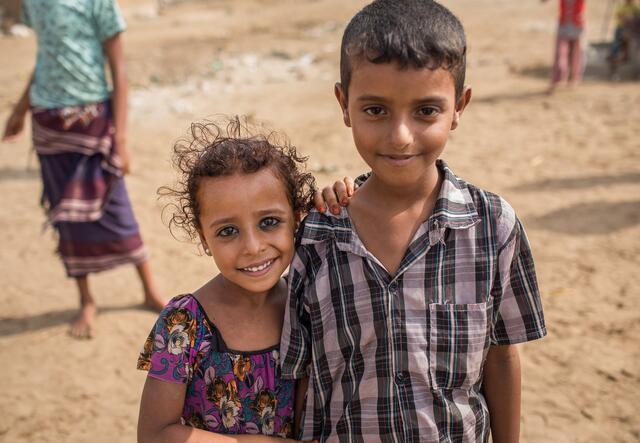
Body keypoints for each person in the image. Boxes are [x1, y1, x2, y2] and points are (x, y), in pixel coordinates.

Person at [280, 1, 547, 442]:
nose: (400, 136)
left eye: (426, 111)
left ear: (459, 107)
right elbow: (301, 375)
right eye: (375, 110)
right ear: (344, 104)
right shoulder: (318, 234)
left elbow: (500, 357)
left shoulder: (492, 226)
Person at [137, 118, 324, 442]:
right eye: (227, 231)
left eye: (269, 222)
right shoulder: (183, 324)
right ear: (203, 237)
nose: (252, 247)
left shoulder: (306, 303)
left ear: (296, 217)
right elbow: (155, 434)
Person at [2, 0, 164, 338]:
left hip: (93, 121)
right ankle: (86, 300)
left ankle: (149, 290)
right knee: (67, 218)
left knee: (117, 207)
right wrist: (20, 110)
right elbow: (46, 56)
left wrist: (120, 140)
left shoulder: (98, 3)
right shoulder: (35, 4)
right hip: (48, 121)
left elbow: (119, 71)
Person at [543, 0, 587, 91]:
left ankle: (573, 78)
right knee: (560, 52)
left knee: (574, 53)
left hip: (576, 24)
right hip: (564, 23)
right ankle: (558, 78)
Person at [608, 0, 640, 77]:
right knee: (616, 45)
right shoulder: (621, 7)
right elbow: (620, 17)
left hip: (633, 30)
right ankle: (613, 68)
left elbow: (636, 20)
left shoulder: (636, 8)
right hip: (622, 28)